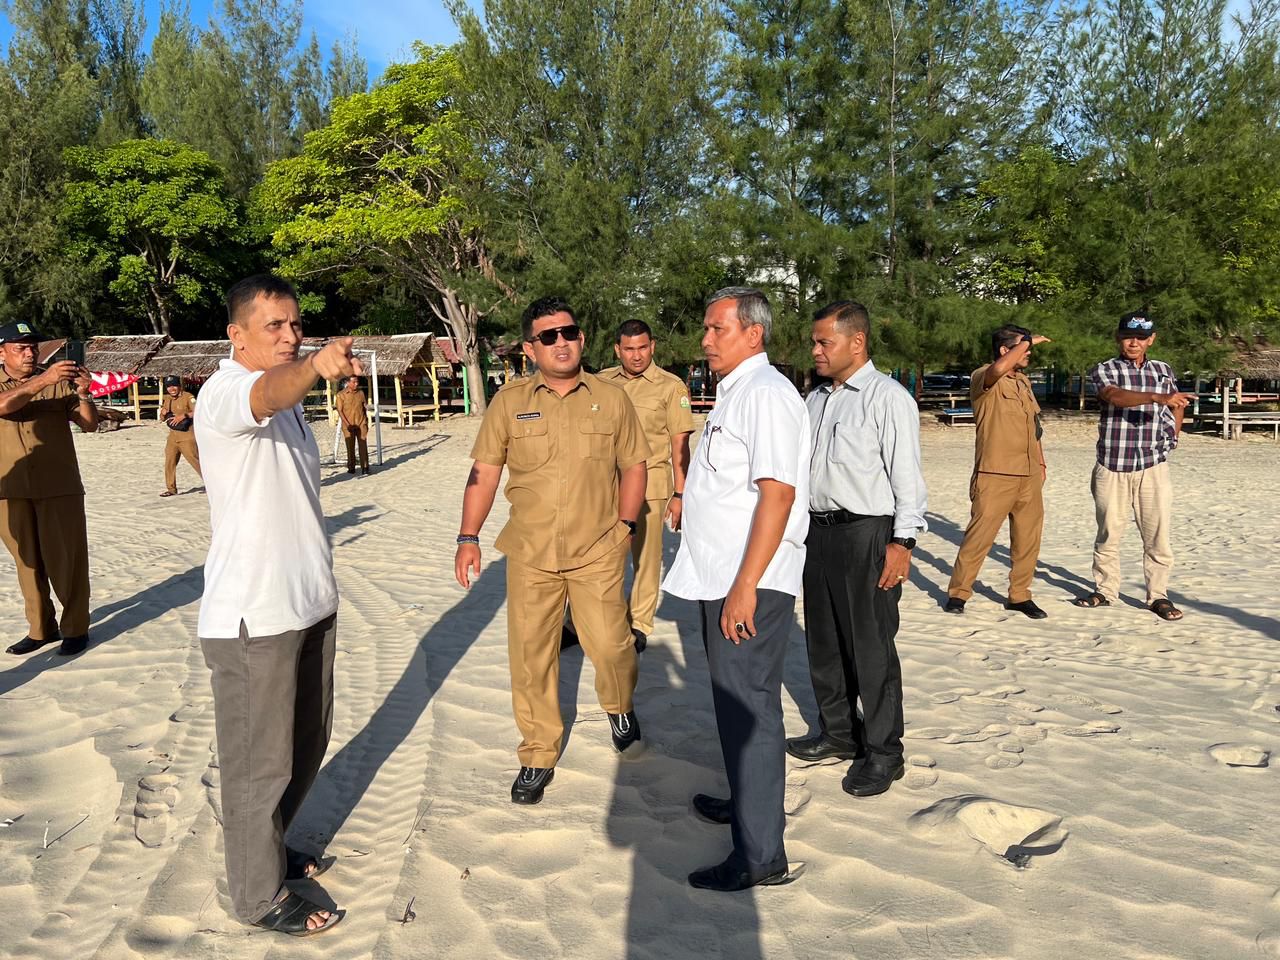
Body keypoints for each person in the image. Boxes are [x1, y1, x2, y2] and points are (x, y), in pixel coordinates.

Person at [196, 275, 363, 937]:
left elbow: (282, 394)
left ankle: (266, 851)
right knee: (257, 765)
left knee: (304, 745)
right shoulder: (225, 392)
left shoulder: (288, 401)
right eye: (275, 326)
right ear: (236, 335)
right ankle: (256, 895)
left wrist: (307, 371)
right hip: (252, 614)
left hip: (308, 600)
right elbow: (268, 392)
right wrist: (315, 366)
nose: (291, 335)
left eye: (296, 324)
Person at [455, 296, 650, 806]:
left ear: (581, 338)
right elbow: (484, 473)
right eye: (548, 336)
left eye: (568, 332)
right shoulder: (508, 402)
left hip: (598, 549)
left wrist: (626, 526)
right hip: (531, 553)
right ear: (530, 348)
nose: (561, 342)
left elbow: (634, 466)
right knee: (532, 657)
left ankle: (620, 706)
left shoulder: (612, 399)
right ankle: (538, 751)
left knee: (612, 645)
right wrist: (468, 537)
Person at [663, 287, 810, 892]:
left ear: (753, 334)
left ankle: (760, 853)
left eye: (716, 329)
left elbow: (779, 494)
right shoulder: (737, 391)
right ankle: (747, 805)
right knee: (733, 703)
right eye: (705, 328)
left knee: (750, 708)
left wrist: (746, 585)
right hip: (721, 575)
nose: (705, 340)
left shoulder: (767, 394)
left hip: (749, 581)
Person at [788, 301, 927, 798]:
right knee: (824, 641)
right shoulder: (815, 400)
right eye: (815, 341)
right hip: (818, 532)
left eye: (824, 341)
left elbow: (907, 477)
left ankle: (885, 752)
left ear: (857, 341)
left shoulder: (888, 398)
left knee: (871, 647)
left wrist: (902, 542)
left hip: (867, 533)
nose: (815, 350)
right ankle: (839, 734)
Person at [1074, 311, 1191, 620]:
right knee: (1109, 533)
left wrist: (1173, 437)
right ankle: (1105, 590)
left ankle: (1158, 596)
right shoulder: (1105, 369)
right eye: (1128, 337)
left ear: (1151, 339)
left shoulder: (1163, 369)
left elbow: (1177, 403)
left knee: (1157, 536)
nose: (1134, 343)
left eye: (1141, 337)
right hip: (1113, 464)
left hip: (1153, 465)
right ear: (1118, 338)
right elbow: (1114, 396)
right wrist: (1156, 397)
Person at [596, 319, 695, 651]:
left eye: (642, 347)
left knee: (646, 559)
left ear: (652, 346)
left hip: (651, 486)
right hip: (606, 484)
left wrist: (680, 493)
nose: (636, 355)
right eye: (629, 349)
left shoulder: (670, 387)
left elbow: (680, 445)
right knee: (598, 556)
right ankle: (581, 622)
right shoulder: (602, 382)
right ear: (617, 349)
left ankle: (639, 623)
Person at [0, 322, 98, 657]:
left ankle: (76, 629)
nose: (30, 354)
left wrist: (84, 393)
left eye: (32, 347)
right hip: (9, 487)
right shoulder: (46, 380)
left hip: (59, 484)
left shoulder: (59, 383)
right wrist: (43, 381)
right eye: (20, 348)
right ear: (2, 353)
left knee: (67, 560)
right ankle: (41, 629)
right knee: (26, 562)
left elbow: (89, 424)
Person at [945, 325, 1051, 619]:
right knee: (979, 537)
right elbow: (998, 369)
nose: (1028, 353)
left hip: (1029, 473)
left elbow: (1035, 427)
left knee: (1027, 540)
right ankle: (958, 593)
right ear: (1005, 350)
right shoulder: (984, 377)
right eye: (1022, 347)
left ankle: (1020, 595)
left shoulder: (1024, 382)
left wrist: (1041, 464)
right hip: (995, 473)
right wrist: (1028, 342)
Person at [159, 375, 202, 497]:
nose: (171, 389)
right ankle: (171, 489)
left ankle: (213, 485)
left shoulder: (188, 397)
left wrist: (184, 416)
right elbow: (162, 418)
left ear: (179, 386)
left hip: (187, 436)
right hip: (173, 437)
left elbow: (199, 410)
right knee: (169, 462)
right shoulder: (167, 399)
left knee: (196, 462)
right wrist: (163, 413)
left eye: (174, 385)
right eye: (169, 386)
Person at [334, 375, 370, 475]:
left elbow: (364, 407)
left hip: (361, 423)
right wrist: (347, 424)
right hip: (348, 425)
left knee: (363, 445)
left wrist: (366, 421)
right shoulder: (341, 395)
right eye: (354, 382)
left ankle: (365, 467)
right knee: (350, 446)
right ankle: (351, 467)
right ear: (348, 383)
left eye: (357, 382)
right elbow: (340, 411)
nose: (356, 384)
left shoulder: (361, 393)